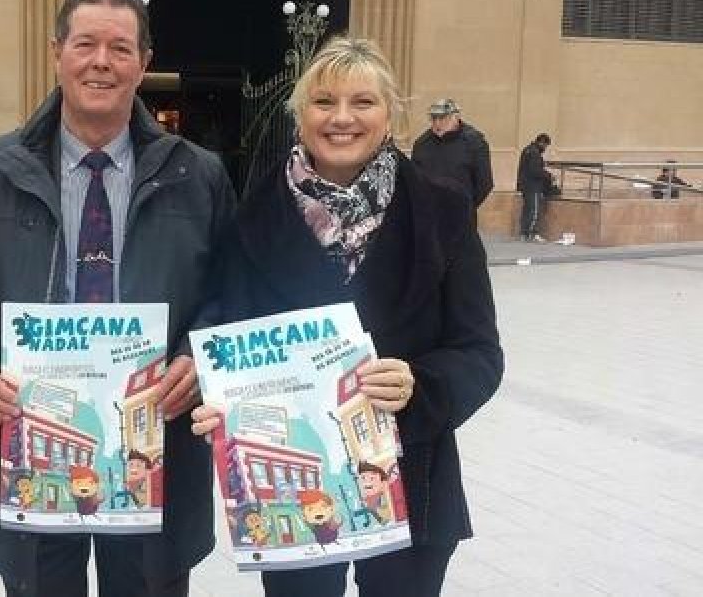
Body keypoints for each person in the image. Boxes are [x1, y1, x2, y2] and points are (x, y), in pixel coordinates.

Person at [0, 0, 236, 597]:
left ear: (144, 63)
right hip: (31, 449)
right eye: (85, 45)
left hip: (154, 450)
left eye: (120, 49)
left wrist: (196, 357)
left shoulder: (198, 176)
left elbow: (231, 296)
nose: (102, 62)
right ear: (57, 54)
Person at [191, 38, 504, 597]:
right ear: (299, 117)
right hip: (294, 486)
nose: (341, 118)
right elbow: (224, 334)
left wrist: (420, 384)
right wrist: (218, 399)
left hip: (414, 474)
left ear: (390, 115)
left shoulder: (443, 209)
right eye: (323, 102)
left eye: (362, 102)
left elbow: (480, 353)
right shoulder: (252, 217)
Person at [411, 97, 494, 209]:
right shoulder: (422, 144)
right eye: (433, 118)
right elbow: (413, 179)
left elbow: (484, 183)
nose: (437, 123)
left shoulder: (474, 142)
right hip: (429, 212)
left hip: (461, 213)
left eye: (442, 118)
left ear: (456, 117)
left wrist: (466, 205)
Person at [516, 133, 553, 242]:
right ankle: (532, 233)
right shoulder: (534, 153)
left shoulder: (527, 150)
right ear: (541, 142)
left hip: (525, 185)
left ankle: (524, 233)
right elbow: (535, 171)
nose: (545, 148)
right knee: (534, 210)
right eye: (546, 145)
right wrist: (548, 175)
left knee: (527, 209)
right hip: (533, 186)